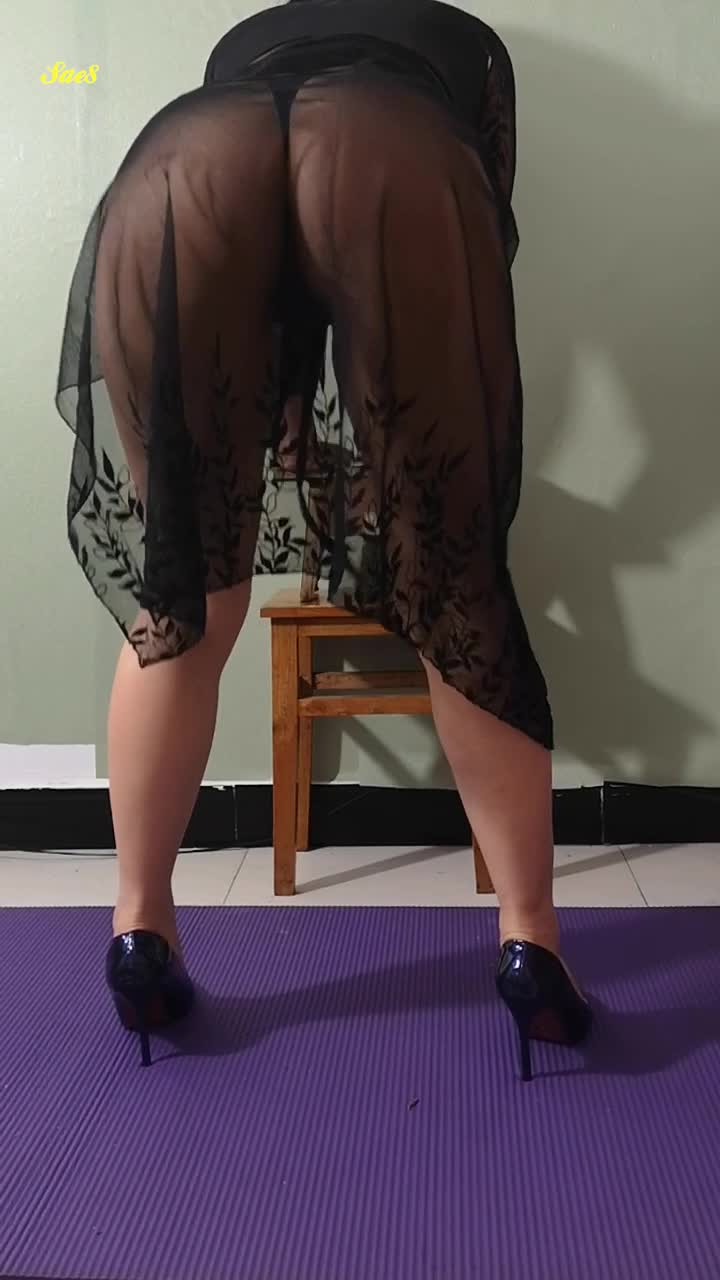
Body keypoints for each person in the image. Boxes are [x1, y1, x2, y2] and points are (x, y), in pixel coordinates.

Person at [56, 0, 591, 1078]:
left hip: (182, 153)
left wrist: (295, 414)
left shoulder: (246, 37)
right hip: (397, 148)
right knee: (455, 591)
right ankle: (530, 946)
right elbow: (485, 222)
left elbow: (277, 280)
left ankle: (139, 928)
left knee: (181, 593)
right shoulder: (470, 46)